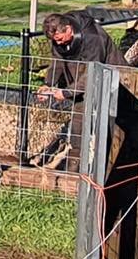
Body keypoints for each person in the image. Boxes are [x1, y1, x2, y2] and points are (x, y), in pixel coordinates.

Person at [36, 11, 128, 168]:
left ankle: (108, 168)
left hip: (113, 81)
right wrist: (48, 84)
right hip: (81, 85)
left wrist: (67, 92)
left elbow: (93, 74)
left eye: (59, 39)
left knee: (111, 127)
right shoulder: (60, 39)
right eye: (54, 41)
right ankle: (74, 169)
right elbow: (57, 61)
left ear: (69, 29)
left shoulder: (93, 38)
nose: (58, 44)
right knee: (79, 123)